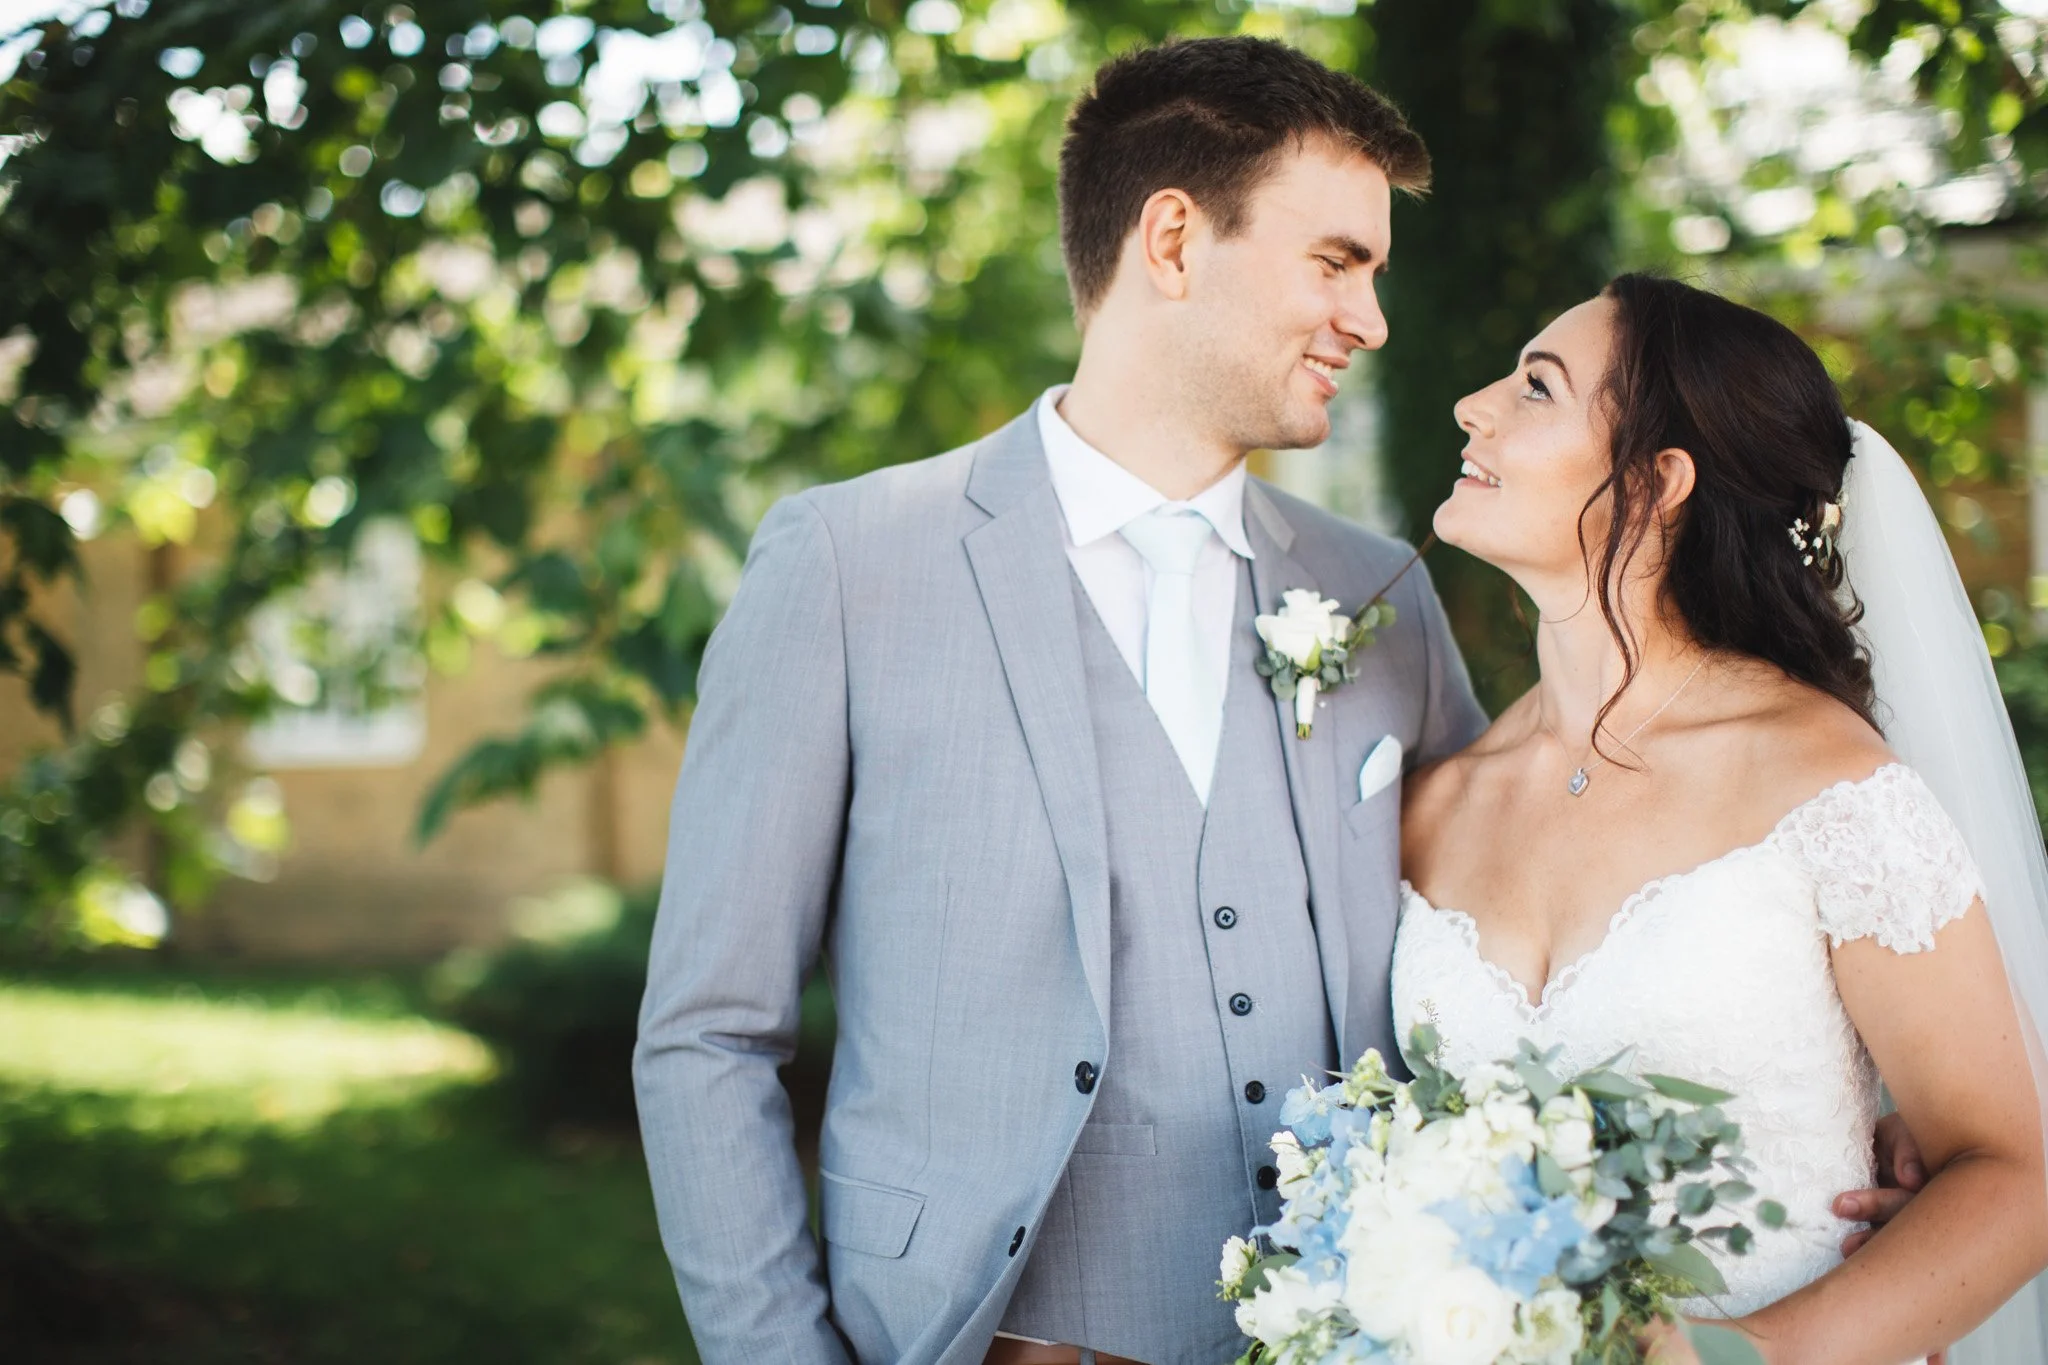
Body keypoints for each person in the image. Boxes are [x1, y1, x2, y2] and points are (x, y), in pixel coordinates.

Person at [632, 36, 1487, 1365]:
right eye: (1337, 262)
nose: (1371, 320)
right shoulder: (851, 564)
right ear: (1171, 240)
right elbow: (708, 1035)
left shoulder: (1381, 596)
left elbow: (1513, 950)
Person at [1395, 273, 2048, 1363]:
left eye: (1535, 387)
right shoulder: (1434, 800)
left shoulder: (1828, 789)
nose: (1473, 404)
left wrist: (1739, 1356)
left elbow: (2012, 1176)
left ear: (1655, 483)